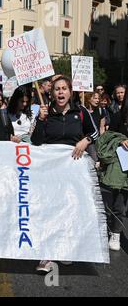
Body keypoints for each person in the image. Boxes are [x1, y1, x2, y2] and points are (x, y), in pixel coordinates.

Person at [31, 76, 99, 272]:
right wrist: (41, 119)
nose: (60, 92)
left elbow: (94, 132)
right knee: (49, 210)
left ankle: (65, 248)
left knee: (68, 209)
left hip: (73, 170)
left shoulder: (81, 111)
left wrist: (85, 141)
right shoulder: (45, 112)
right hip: (49, 171)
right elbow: (35, 141)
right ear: (52, 93)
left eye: (64, 89)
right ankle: (46, 254)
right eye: (57, 89)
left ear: (70, 92)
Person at [98, 93, 128, 251]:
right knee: (116, 202)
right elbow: (107, 137)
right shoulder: (118, 117)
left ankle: (115, 230)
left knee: (121, 203)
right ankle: (115, 232)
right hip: (120, 167)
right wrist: (120, 140)